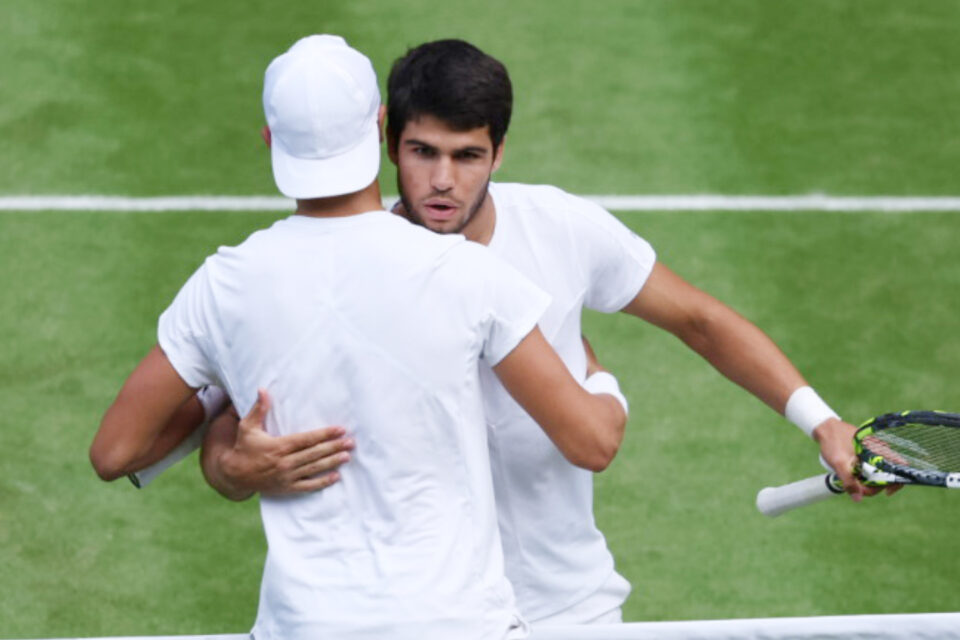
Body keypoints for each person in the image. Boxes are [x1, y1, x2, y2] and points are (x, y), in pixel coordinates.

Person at [149, 38, 896, 626]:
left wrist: (822, 421)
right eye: (423, 153)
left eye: (467, 156)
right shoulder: (337, 274)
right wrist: (229, 466)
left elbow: (702, 321)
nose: (443, 181)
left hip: (567, 608)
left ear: (498, 153)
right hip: (437, 618)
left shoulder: (560, 228)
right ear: (387, 147)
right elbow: (212, 413)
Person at [89, 34, 626, 640]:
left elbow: (115, 453)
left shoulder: (225, 286)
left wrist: (224, 436)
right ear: (380, 129)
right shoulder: (470, 275)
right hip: (456, 625)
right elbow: (591, 439)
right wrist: (599, 375)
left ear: (269, 139)